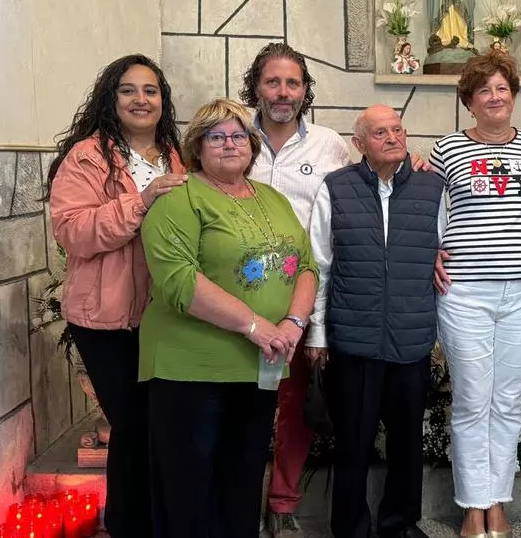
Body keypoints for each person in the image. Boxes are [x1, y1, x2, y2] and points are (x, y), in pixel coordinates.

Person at [140, 99, 318, 537]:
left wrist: (293, 324)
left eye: (239, 136)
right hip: (191, 368)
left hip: (259, 365)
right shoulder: (178, 198)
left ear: (252, 146)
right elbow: (179, 281)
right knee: (189, 490)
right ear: (197, 147)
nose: (229, 144)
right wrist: (255, 325)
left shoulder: (272, 198)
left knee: (242, 481)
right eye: (216, 136)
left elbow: (306, 265)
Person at [47, 54, 186, 538]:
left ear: (163, 100)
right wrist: (140, 202)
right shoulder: (87, 157)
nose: (140, 99)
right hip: (105, 318)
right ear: (111, 98)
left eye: (150, 90)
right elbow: (73, 230)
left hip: (165, 315)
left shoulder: (176, 156)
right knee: (133, 424)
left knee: (160, 427)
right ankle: (130, 526)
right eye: (128, 90)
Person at [305, 105, 445, 538]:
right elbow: (320, 265)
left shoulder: (433, 187)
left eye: (398, 129)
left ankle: (400, 525)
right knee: (353, 442)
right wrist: (317, 333)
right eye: (380, 132)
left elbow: (445, 254)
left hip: (411, 339)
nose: (392, 138)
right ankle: (350, 528)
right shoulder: (336, 187)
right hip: (353, 341)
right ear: (359, 143)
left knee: (407, 443)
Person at [429, 50, 521, 538]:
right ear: (469, 101)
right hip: (465, 292)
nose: (495, 96)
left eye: (502, 88)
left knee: (507, 401)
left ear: (514, 96)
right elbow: (427, 208)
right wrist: (431, 252)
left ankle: (497, 500)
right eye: (484, 90)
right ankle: (472, 504)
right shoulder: (446, 149)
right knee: (471, 400)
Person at [239, 42, 352, 538]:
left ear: (305, 90)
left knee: (295, 408)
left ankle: (282, 504)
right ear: (256, 87)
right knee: (242, 407)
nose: (283, 92)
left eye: (293, 83)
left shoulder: (329, 145)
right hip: (238, 300)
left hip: (303, 298)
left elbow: (357, 197)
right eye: (273, 82)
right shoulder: (233, 135)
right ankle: (239, 506)